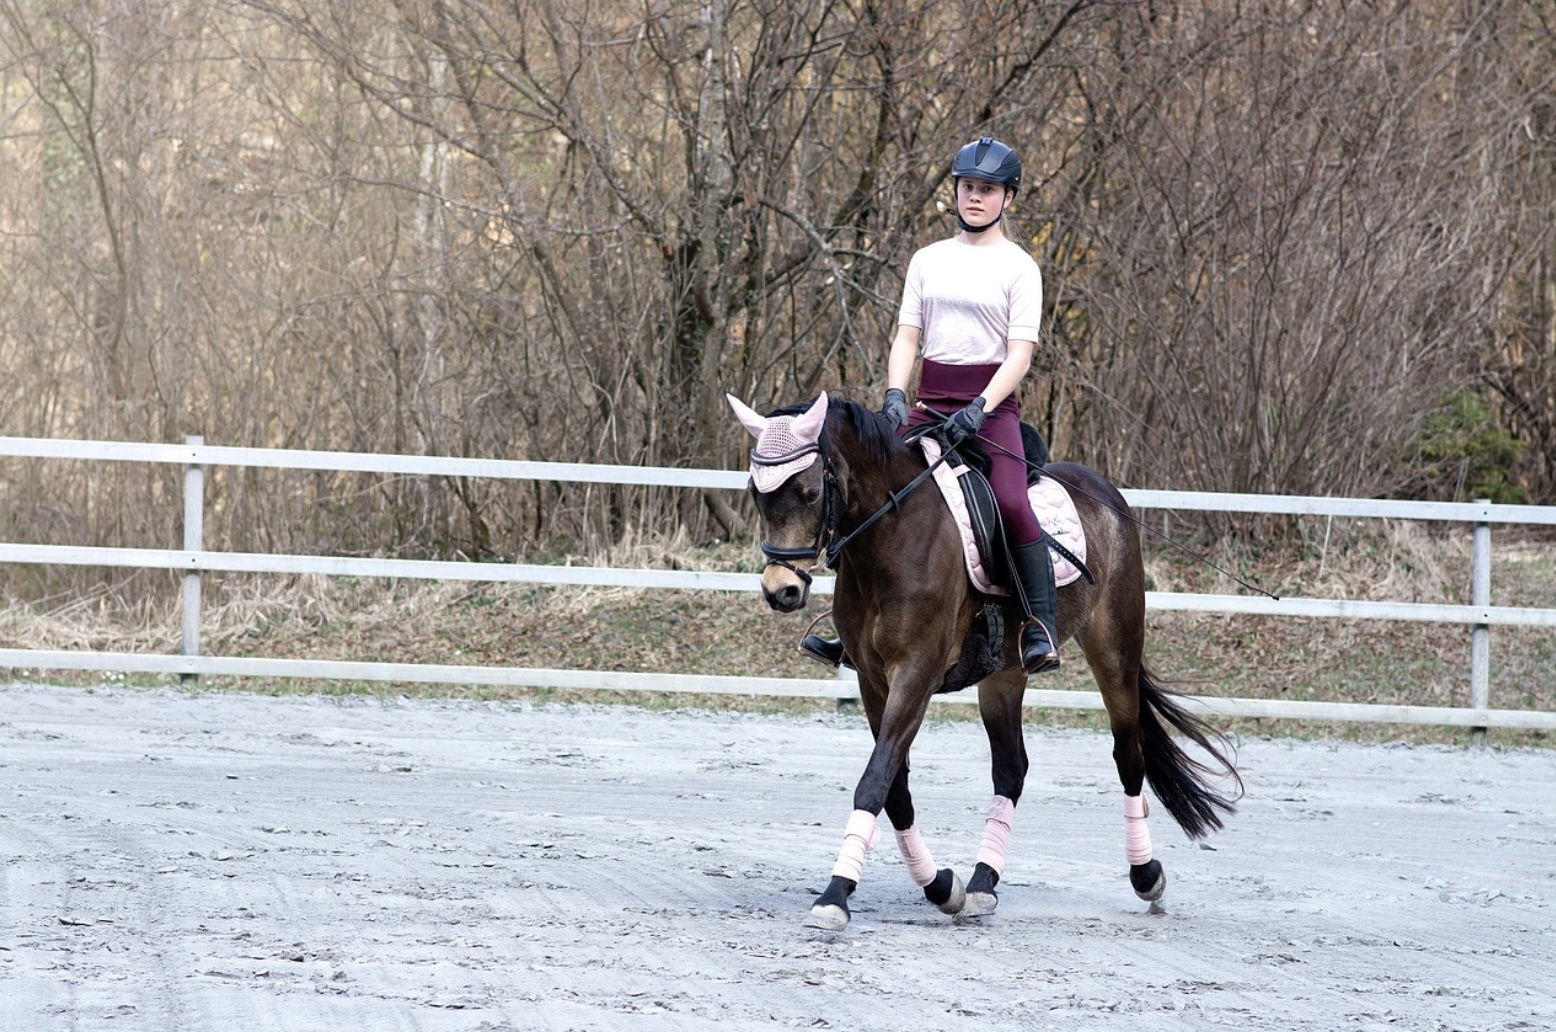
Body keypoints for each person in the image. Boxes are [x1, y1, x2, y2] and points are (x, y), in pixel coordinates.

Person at [801, 136, 1060, 676]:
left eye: (987, 190)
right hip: (927, 405)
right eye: (968, 187)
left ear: (1007, 198)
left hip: (991, 412)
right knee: (867, 494)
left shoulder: (1020, 267)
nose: (975, 198)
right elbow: (906, 336)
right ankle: (849, 629)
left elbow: (1020, 355)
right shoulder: (929, 260)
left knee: (1012, 502)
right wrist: (896, 394)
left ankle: (1039, 627)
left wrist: (981, 405)